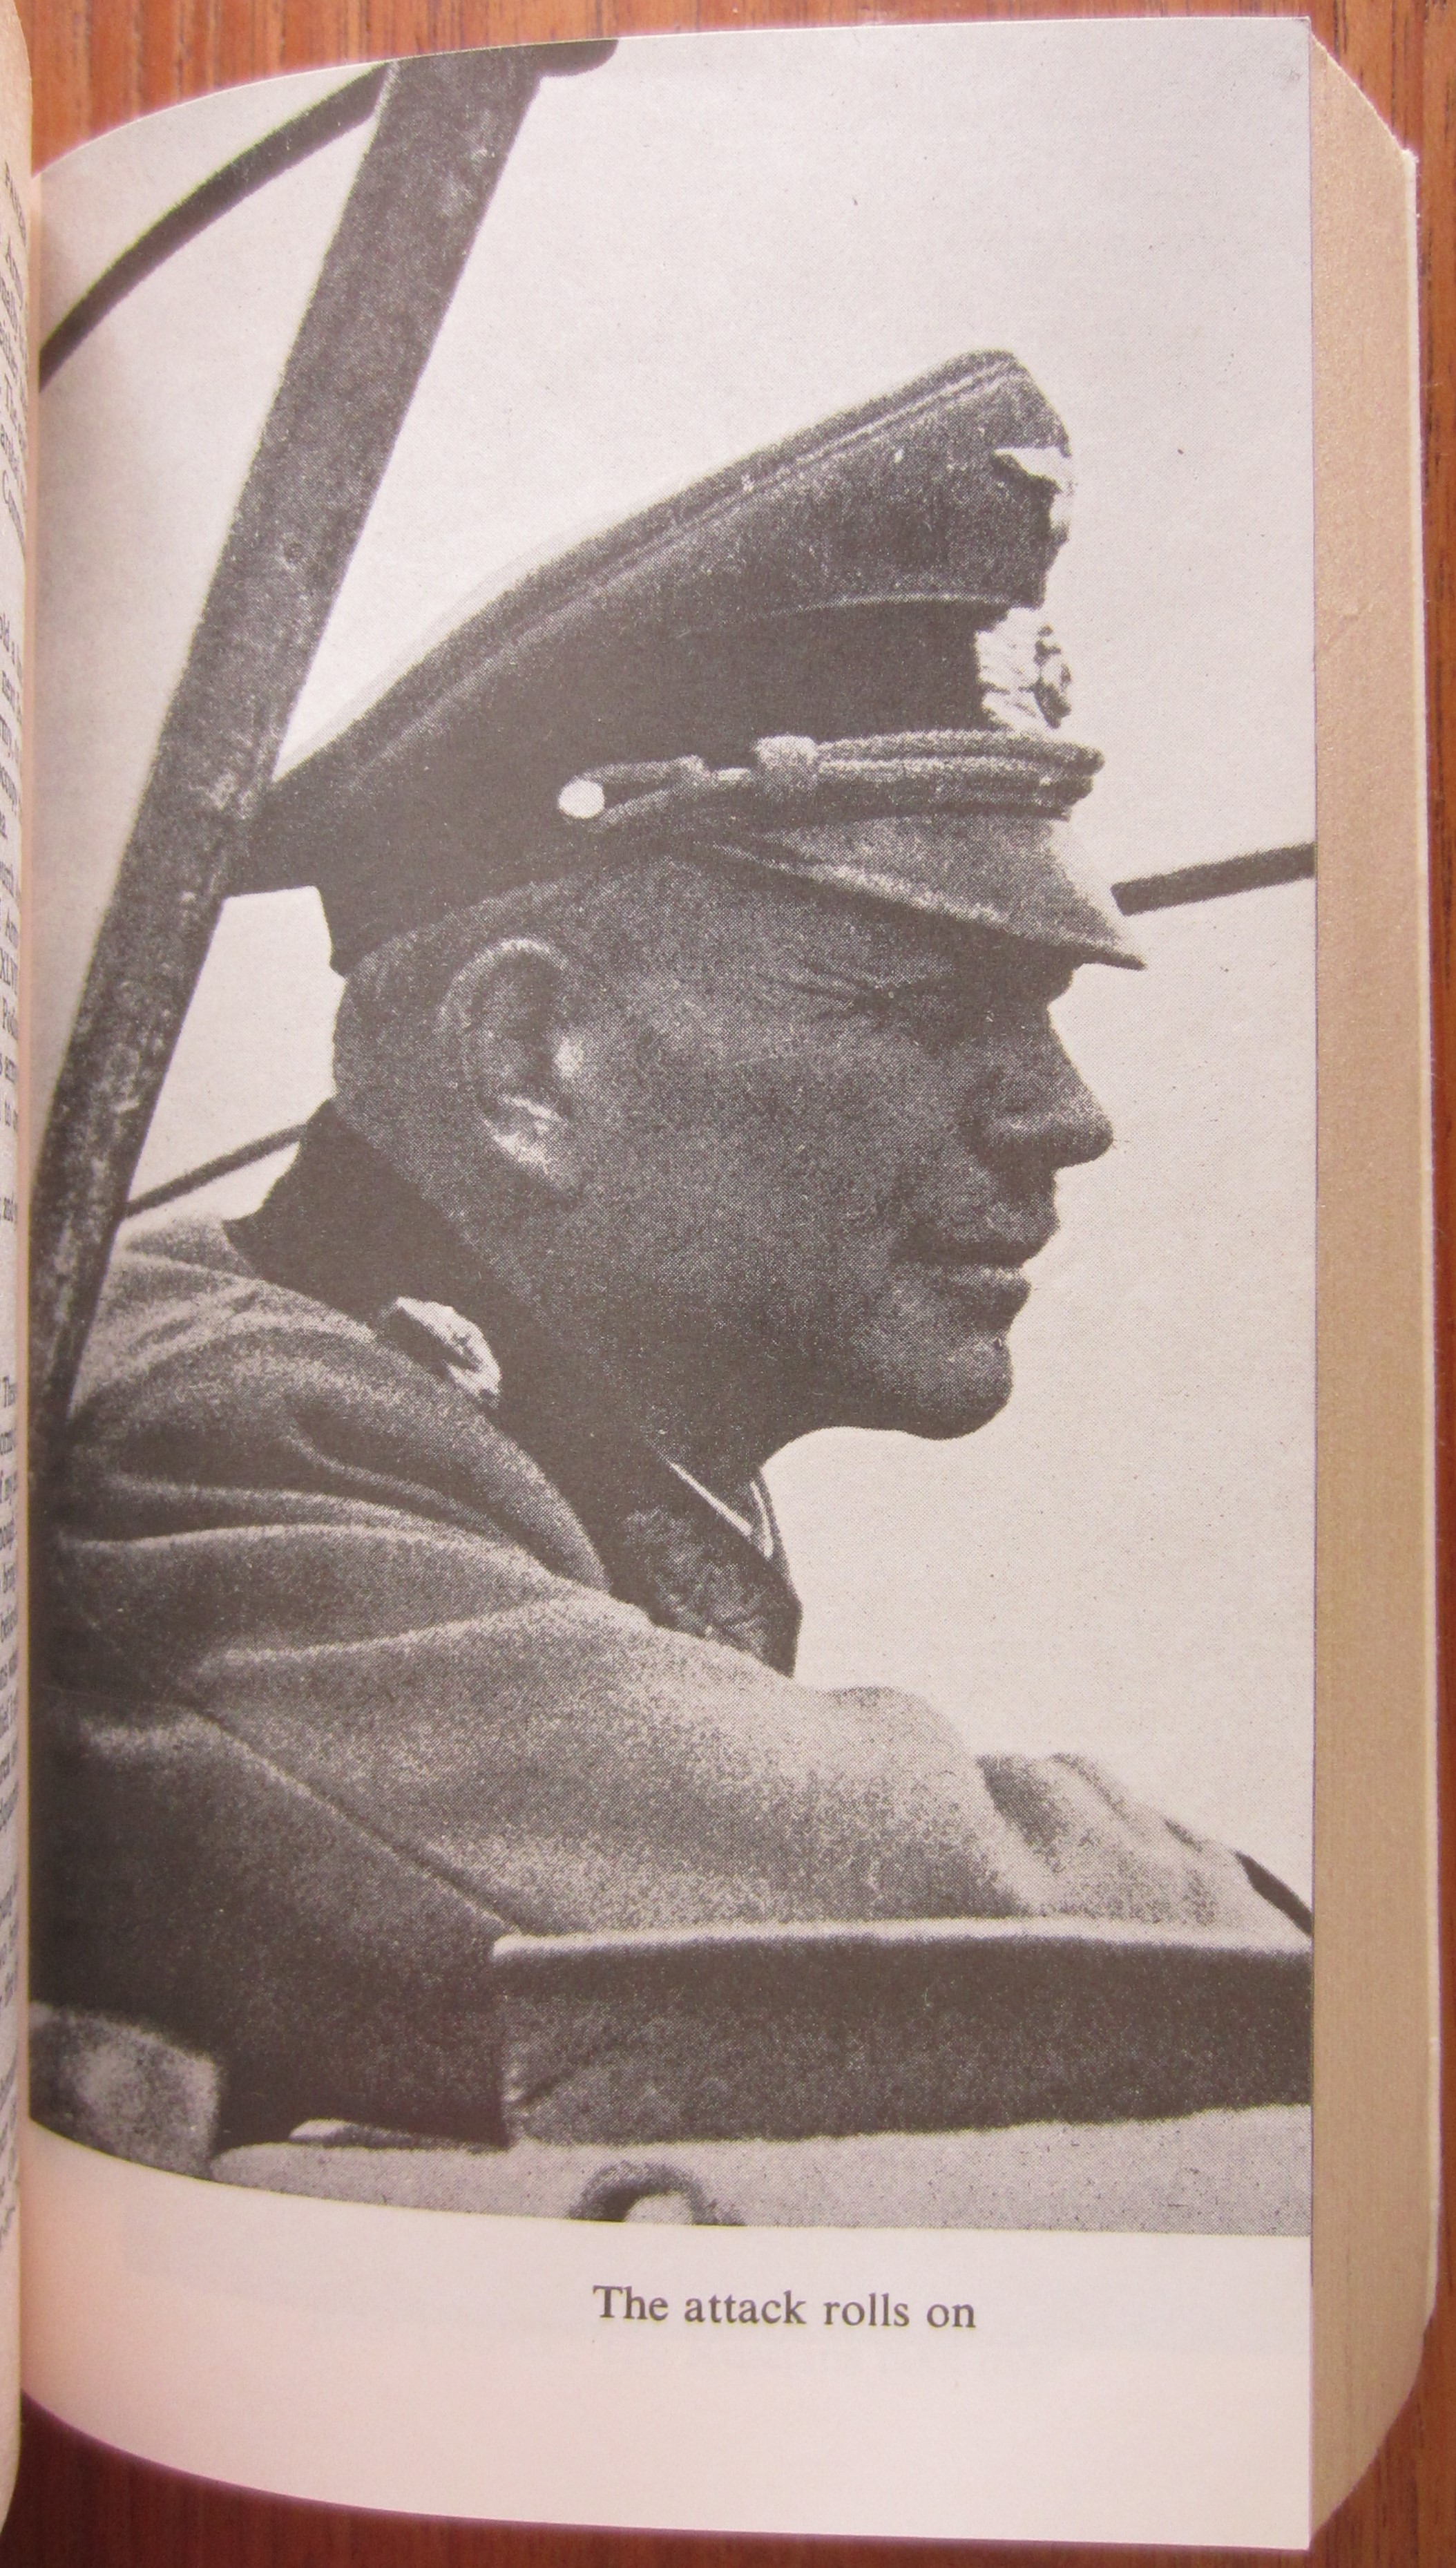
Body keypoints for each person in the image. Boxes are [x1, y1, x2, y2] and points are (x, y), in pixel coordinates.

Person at [32, 350, 1307, 2158]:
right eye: (929, 1003)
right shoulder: (200, 1437)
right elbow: (894, 1919)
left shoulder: (530, 1451)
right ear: (529, 1059)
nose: (1063, 1114)